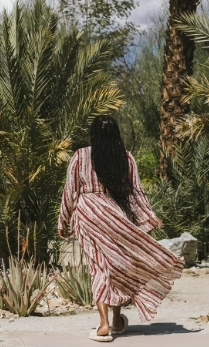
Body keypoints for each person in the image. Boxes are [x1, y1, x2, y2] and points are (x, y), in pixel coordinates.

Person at [58, 115, 184, 342]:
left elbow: (70, 191)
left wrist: (63, 221)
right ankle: (116, 321)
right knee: (119, 265)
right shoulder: (125, 158)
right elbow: (136, 192)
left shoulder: (80, 156)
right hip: (116, 217)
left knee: (99, 267)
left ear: (93, 134)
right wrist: (147, 219)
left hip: (87, 216)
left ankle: (104, 324)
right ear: (116, 133)